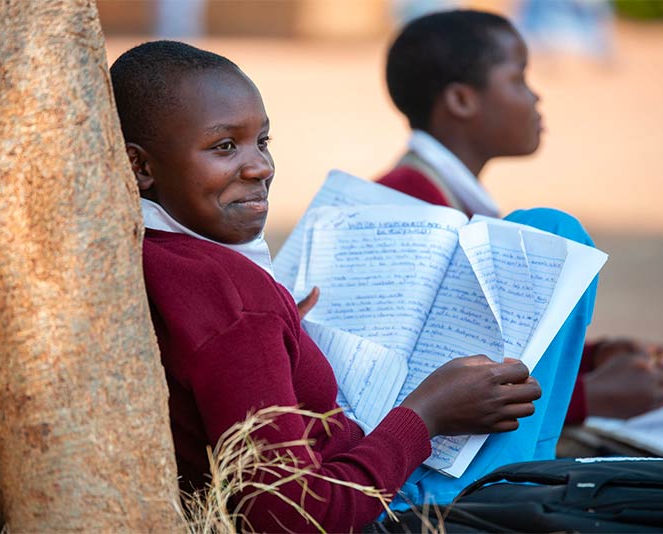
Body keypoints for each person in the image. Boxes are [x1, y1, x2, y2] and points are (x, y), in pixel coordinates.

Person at [109, 40, 544, 532]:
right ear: (140, 166)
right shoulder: (233, 299)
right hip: (388, 504)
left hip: (362, 460)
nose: (260, 167)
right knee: (551, 229)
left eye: (263, 142)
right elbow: (290, 517)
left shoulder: (146, 253)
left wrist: (286, 330)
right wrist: (427, 414)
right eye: (224, 146)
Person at [377, 9, 663, 430]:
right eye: (519, 79)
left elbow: (472, 345)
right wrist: (592, 397)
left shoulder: (443, 196)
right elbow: (416, 377)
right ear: (462, 100)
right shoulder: (413, 203)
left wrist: (593, 358)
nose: (535, 97)